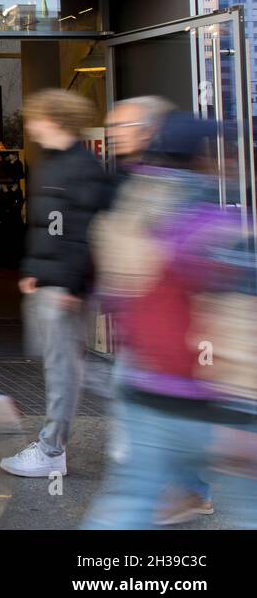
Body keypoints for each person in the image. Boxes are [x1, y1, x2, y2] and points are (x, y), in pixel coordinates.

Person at [83, 113, 256, 529]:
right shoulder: (219, 229)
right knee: (248, 509)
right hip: (214, 400)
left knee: (129, 503)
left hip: (144, 387)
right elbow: (237, 323)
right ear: (209, 159)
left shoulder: (125, 219)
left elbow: (110, 296)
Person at [0, 89, 111, 477]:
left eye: (35, 118)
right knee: (61, 367)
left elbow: (83, 233)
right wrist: (34, 270)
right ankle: (134, 407)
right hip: (50, 284)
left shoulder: (81, 167)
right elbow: (50, 228)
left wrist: (69, 285)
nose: (29, 125)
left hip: (63, 289)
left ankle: (51, 451)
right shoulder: (53, 164)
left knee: (65, 370)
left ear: (55, 120)